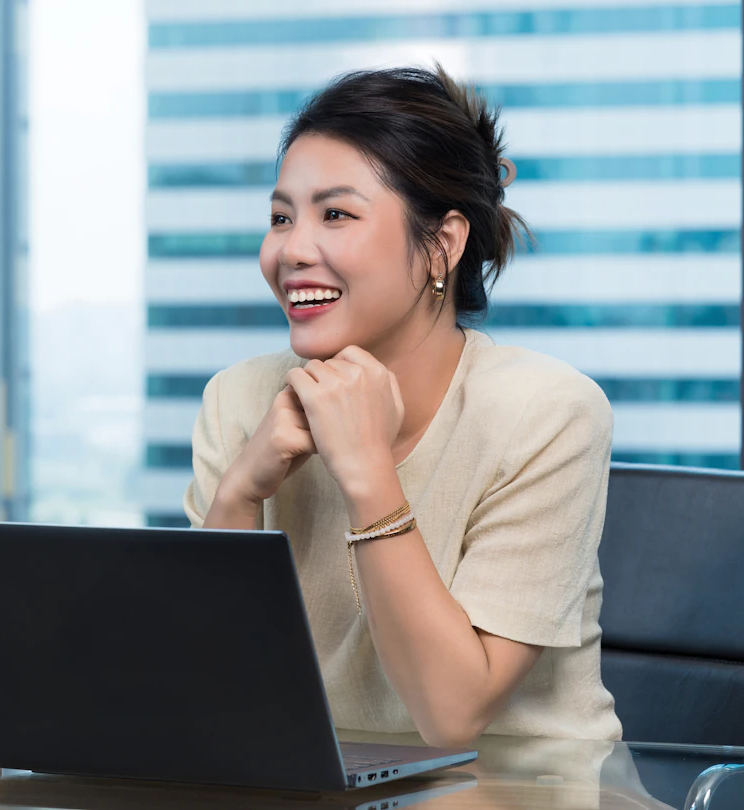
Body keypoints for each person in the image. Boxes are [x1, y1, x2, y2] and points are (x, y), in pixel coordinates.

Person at [183, 65, 622, 746]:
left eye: (336, 214)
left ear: (441, 244)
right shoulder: (237, 399)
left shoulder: (547, 412)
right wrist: (241, 491)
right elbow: (207, 690)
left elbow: (451, 715)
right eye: (280, 217)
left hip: (520, 791)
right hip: (314, 790)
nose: (292, 250)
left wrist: (368, 476)